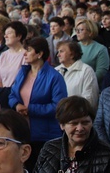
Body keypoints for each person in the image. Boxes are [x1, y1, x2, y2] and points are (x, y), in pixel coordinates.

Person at [9, 37, 67, 166]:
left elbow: (58, 106)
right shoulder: (23, 72)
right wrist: (16, 105)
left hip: (44, 135)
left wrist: (30, 109)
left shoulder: (54, 77)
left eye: (29, 50)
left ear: (40, 54)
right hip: (23, 133)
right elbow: (12, 94)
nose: (25, 53)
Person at [54, 41, 100, 110]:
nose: (58, 55)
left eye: (61, 51)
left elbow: (90, 100)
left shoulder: (86, 71)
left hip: (77, 116)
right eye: (58, 52)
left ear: (72, 54)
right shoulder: (55, 71)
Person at [75, 19, 110, 84]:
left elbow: (101, 73)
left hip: (90, 84)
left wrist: (83, 82)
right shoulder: (73, 46)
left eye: (81, 30)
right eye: (76, 30)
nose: (77, 32)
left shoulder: (101, 49)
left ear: (90, 32)